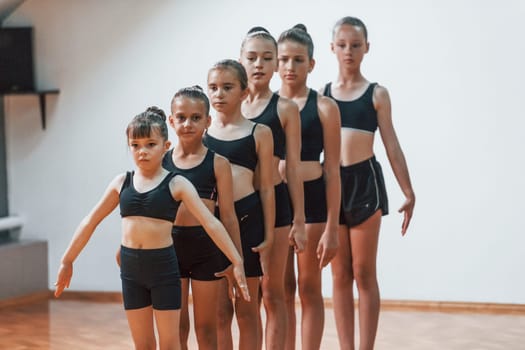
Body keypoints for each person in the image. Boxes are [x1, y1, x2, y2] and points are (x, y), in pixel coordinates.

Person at [54, 107, 249, 350]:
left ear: (165, 146)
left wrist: (236, 260)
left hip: (164, 270)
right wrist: (67, 260)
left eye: (150, 144)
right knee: (143, 345)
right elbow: (90, 221)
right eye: (135, 145)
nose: (142, 151)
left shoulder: (177, 183)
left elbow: (211, 222)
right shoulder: (121, 182)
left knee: (169, 344)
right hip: (132, 272)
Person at [322, 16, 415, 350]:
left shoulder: (377, 94)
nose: (349, 51)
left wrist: (408, 190)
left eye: (356, 45)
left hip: (364, 182)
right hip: (332, 185)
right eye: (342, 45)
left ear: (366, 48)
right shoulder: (323, 95)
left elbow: (391, 143)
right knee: (339, 275)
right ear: (332, 47)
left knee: (363, 272)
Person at [239, 27, 305, 350]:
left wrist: (300, 221)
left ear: (277, 64)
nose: (259, 65)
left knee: (272, 292)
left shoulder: (285, 109)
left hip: (276, 205)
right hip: (238, 207)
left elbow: (292, 168)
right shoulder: (228, 105)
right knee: (241, 296)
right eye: (251, 57)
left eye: (267, 58)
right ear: (241, 60)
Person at [163, 86, 244, 350]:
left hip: (206, 250)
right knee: (177, 327)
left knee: (206, 328)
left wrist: (236, 261)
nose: (188, 124)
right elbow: (147, 212)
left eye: (196, 117)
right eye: (182, 117)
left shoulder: (218, 163)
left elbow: (229, 217)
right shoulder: (161, 162)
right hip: (170, 249)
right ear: (171, 120)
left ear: (208, 121)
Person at [277, 24, 341, 350]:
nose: (290, 67)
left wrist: (332, 227)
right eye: (284, 59)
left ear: (311, 64)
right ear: (275, 62)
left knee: (309, 288)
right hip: (275, 206)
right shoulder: (264, 108)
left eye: (298, 60)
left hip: (314, 206)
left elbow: (331, 169)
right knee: (281, 290)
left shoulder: (325, 107)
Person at [203, 59, 275, 350]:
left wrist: (269, 235)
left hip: (248, 221)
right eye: (214, 88)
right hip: (213, 226)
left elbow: (267, 188)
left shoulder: (259, 133)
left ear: (244, 92)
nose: (219, 94)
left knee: (247, 311)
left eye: (227, 87)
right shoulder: (203, 135)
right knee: (221, 312)